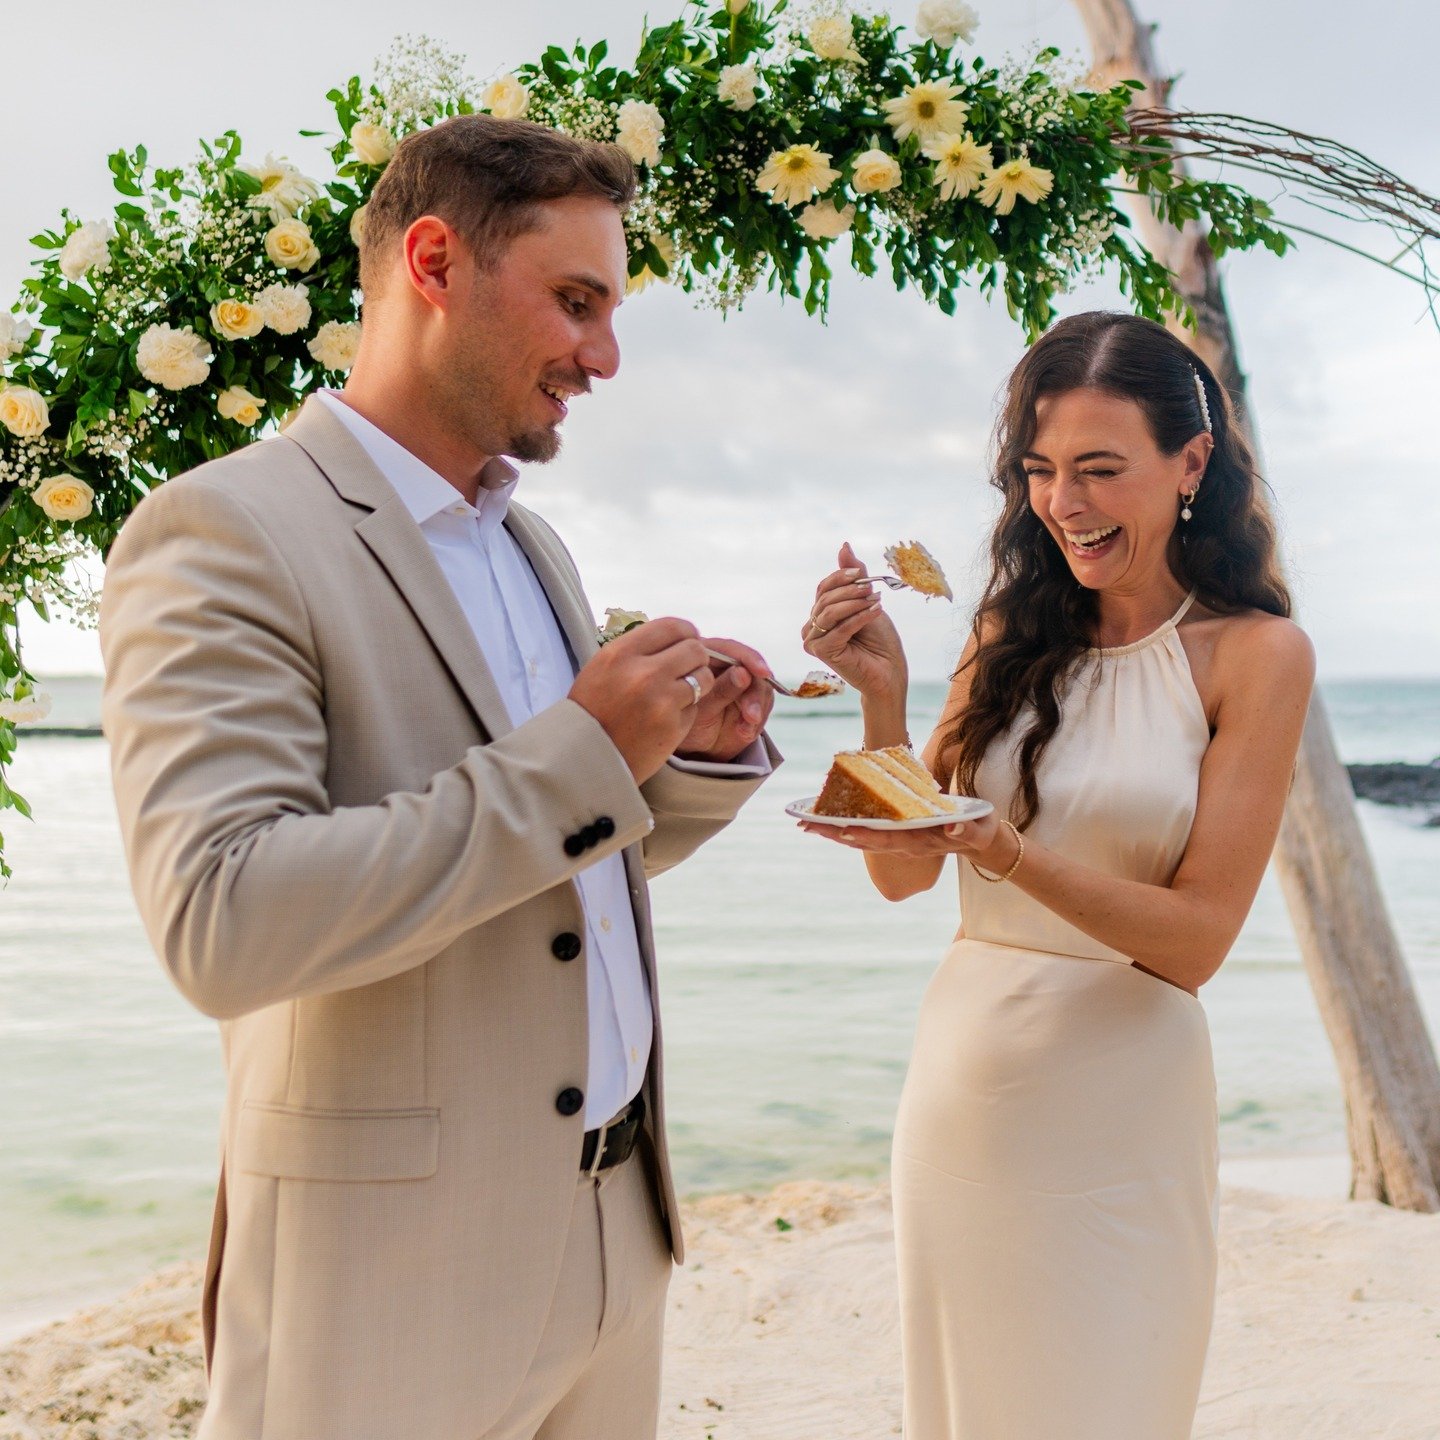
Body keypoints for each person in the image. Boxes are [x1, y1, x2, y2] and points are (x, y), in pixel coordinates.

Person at [100, 115, 780, 1440]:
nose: (606, 355)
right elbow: (222, 920)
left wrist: (675, 765)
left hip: (615, 1242)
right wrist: (586, 751)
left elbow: (552, 860)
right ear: (432, 263)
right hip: (390, 1282)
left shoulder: (534, 550)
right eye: (577, 302)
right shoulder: (225, 530)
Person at [799, 310, 1315, 1439]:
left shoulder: (1256, 655)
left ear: (1192, 463)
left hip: (1122, 1117)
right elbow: (904, 880)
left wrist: (1009, 850)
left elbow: (1194, 943)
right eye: (1039, 472)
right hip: (962, 1096)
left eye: (1098, 469)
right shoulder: (1006, 633)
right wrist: (880, 697)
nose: (1064, 505)